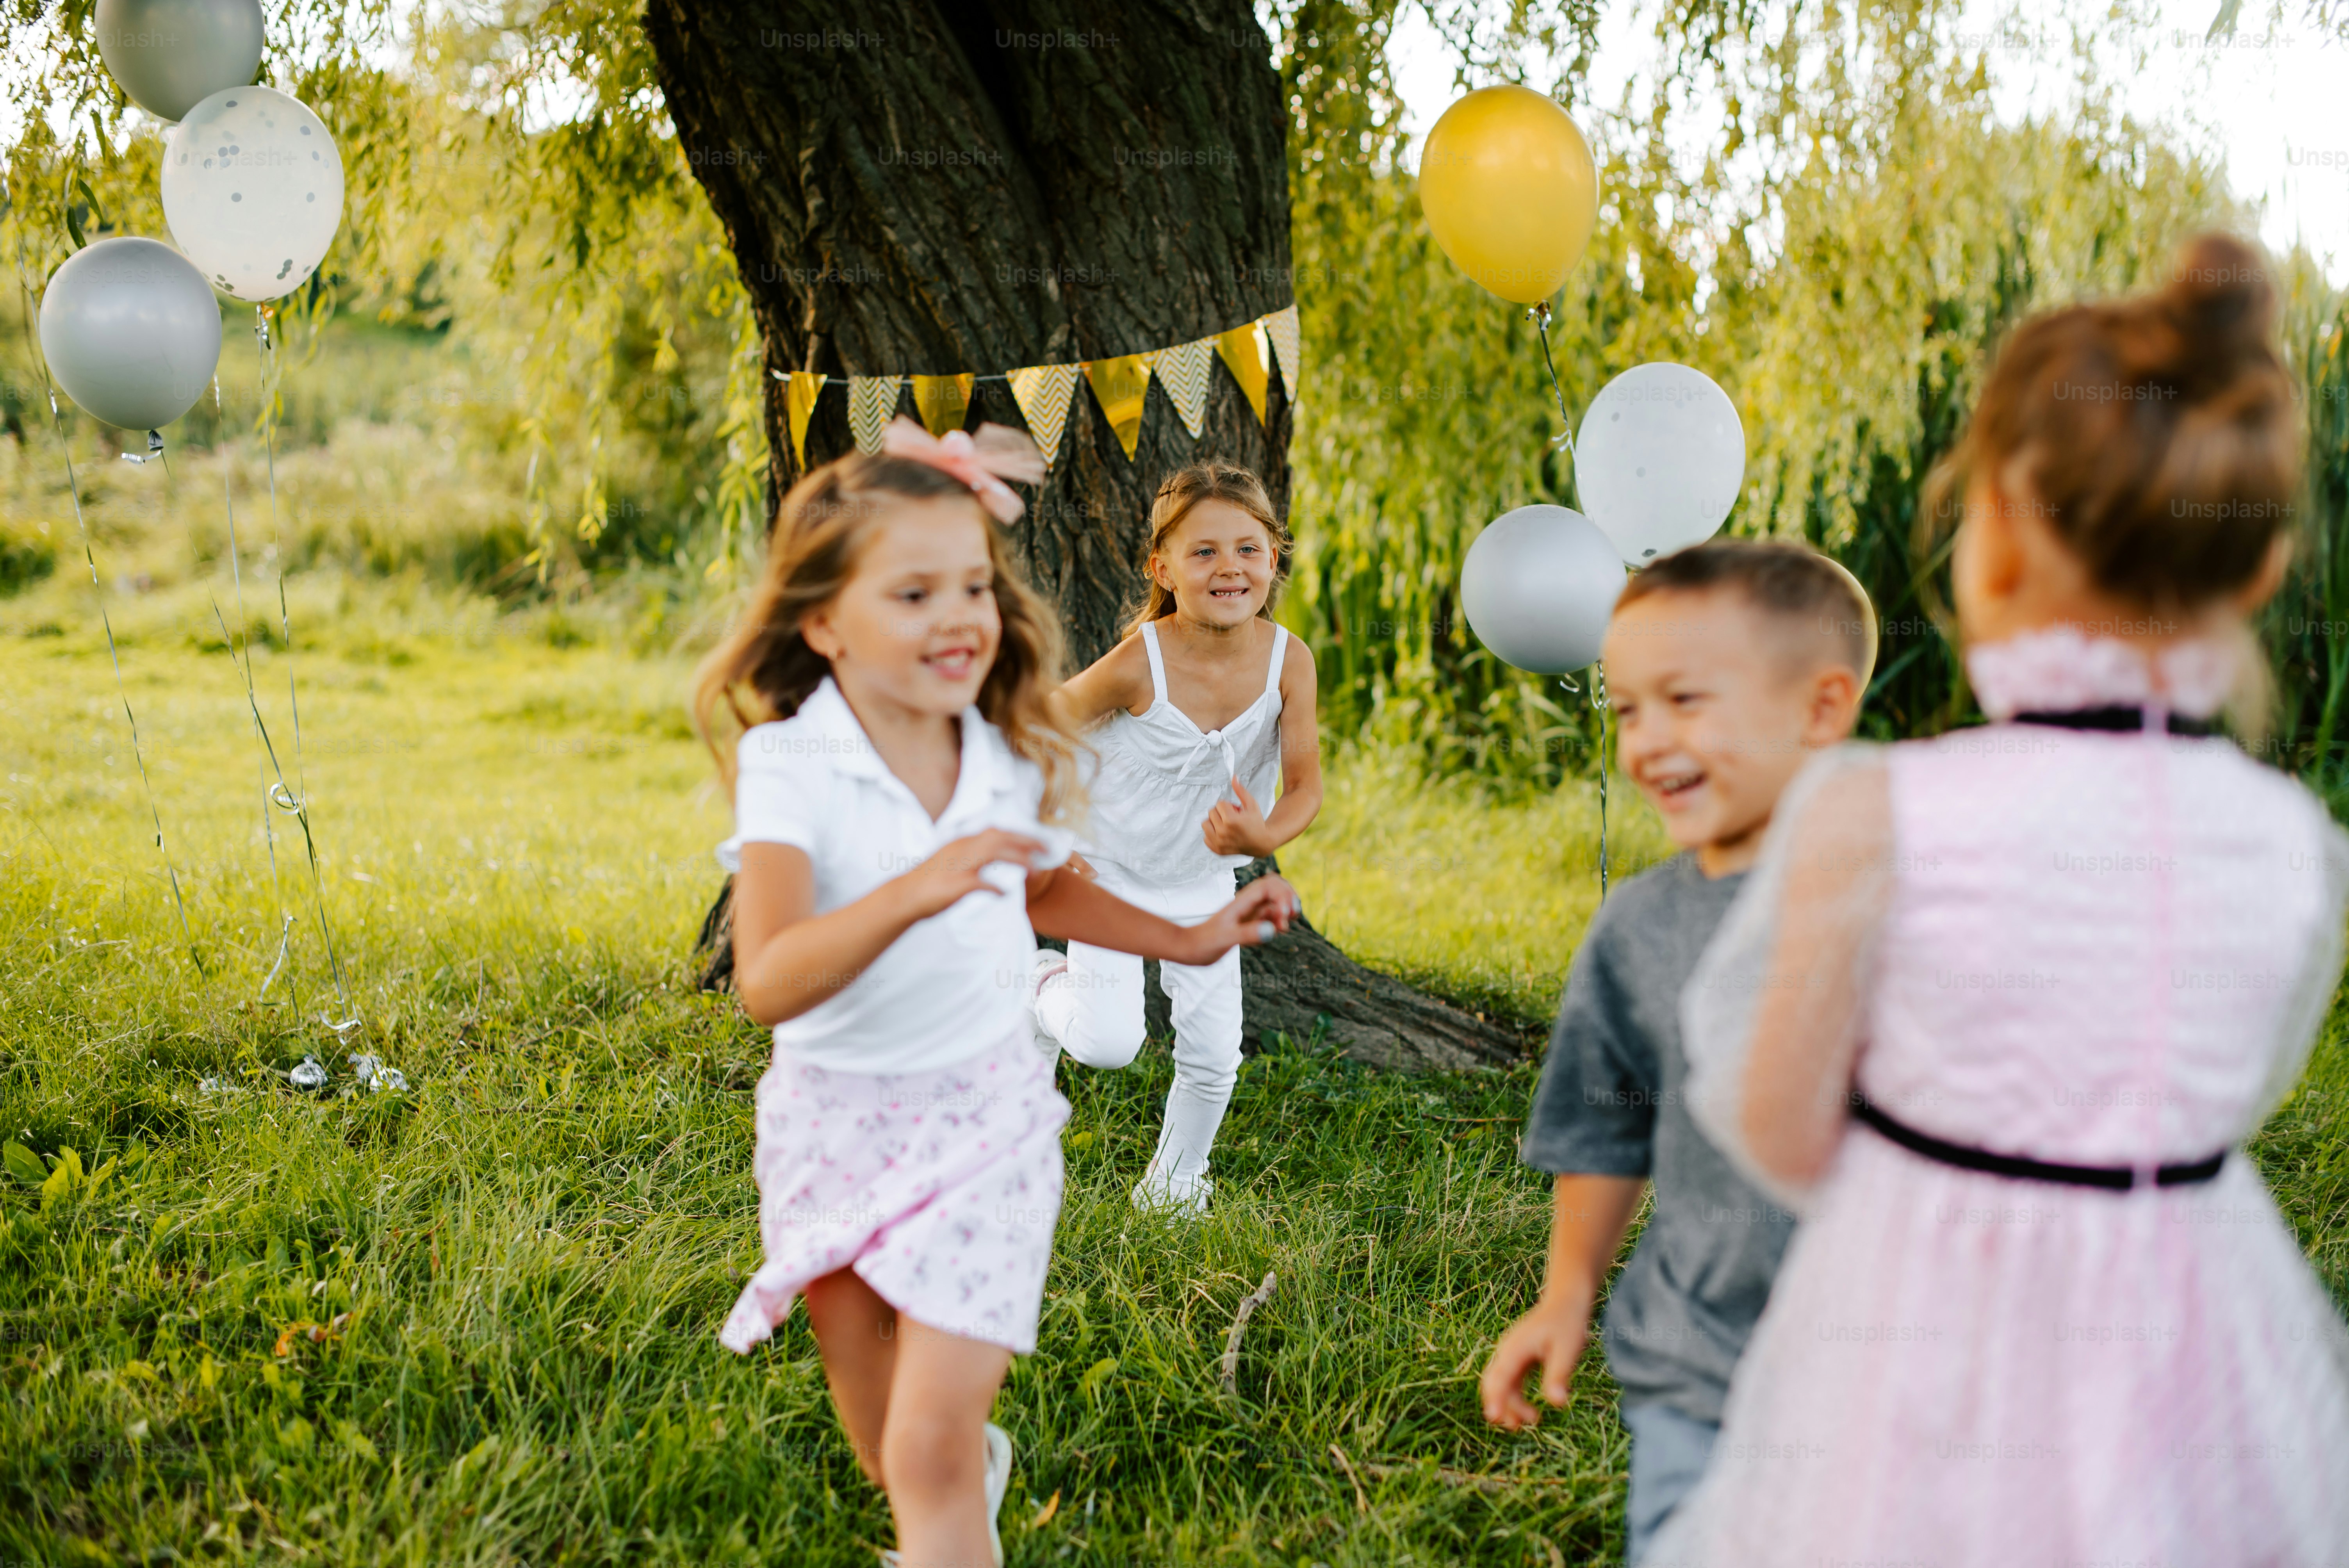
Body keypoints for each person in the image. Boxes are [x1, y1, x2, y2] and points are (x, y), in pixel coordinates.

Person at [1648, 233, 2349, 1567]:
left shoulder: (1876, 808)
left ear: (2001, 534)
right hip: (2197, 1334)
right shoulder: (2295, 844)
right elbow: (2230, 1089)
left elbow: (1777, 1122)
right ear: (2253, 571)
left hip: (1916, 1322)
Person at [695, 419, 1299, 1568]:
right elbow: (769, 985)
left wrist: (1193, 930)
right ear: (823, 623)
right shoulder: (793, 767)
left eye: (974, 584)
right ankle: (964, 1480)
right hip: (833, 1128)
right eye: (913, 592)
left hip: (987, 1125)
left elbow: (1045, 895)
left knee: (921, 1455)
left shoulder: (997, 751)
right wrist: (916, 890)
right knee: (890, 1449)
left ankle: (950, 1495)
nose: (961, 614)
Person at [1478, 539, 1871, 1564]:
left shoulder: (1903, 902)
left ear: (1821, 711)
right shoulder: (1641, 927)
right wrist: (1567, 1292)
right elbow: (1607, 1123)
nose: (1648, 741)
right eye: (1626, 711)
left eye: (1686, 701)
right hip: (1697, 1368)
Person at [1025, 463, 1322, 1215]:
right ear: (1163, 568)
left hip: (1201, 885)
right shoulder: (1140, 662)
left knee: (1215, 1054)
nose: (1230, 567)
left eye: (1250, 549)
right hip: (1109, 879)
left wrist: (1264, 833)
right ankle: (1036, 988)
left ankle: (1175, 1182)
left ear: (1275, 559)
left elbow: (1306, 787)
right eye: (1204, 552)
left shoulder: (1291, 662)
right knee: (1107, 1046)